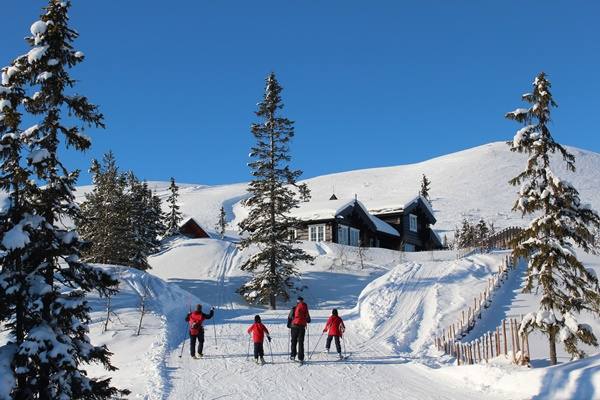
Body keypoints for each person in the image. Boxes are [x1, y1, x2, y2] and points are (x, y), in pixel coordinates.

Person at [287, 296, 311, 364]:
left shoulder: (294, 308)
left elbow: (290, 316)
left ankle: (293, 356)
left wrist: (288, 324)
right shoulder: (305, 308)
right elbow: (308, 319)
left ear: (297, 301)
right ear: (302, 301)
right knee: (301, 342)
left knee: (293, 341)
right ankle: (301, 358)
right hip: (302, 327)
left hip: (294, 326)